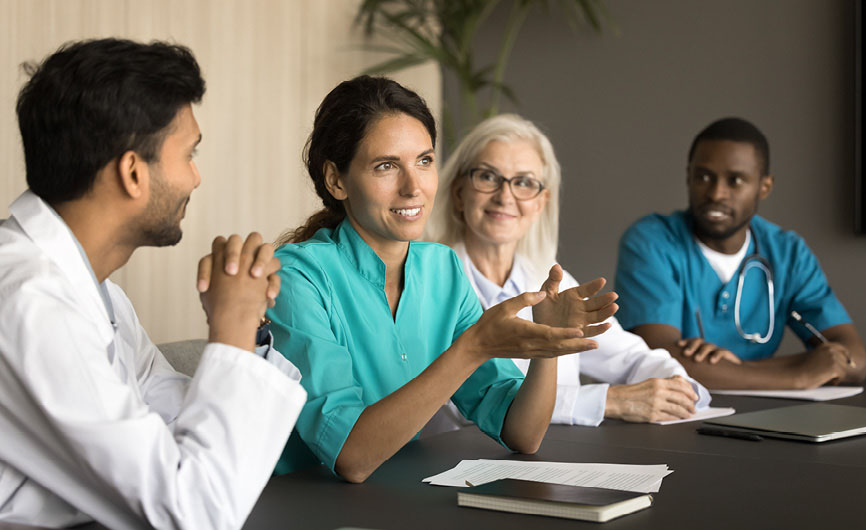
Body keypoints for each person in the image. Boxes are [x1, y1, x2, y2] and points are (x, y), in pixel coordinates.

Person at [0, 39, 307, 529]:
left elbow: (172, 420)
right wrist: (230, 326)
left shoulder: (96, 295)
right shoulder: (29, 301)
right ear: (133, 172)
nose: (196, 178)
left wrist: (243, 333)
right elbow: (192, 513)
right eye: (189, 154)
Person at [267, 76, 618, 483]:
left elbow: (522, 433)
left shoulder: (442, 269)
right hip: (302, 502)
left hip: (398, 497)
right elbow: (351, 456)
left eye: (424, 161)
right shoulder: (295, 277)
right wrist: (473, 348)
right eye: (386, 166)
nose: (413, 187)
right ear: (336, 180)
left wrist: (549, 343)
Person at [423, 113, 708, 431]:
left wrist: (678, 387)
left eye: (523, 182)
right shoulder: (426, 283)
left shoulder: (548, 281)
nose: (505, 196)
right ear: (460, 192)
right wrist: (609, 400)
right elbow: (461, 404)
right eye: (488, 177)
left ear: (541, 203)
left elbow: (630, 356)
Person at [615, 117, 866, 390]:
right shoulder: (652, 241)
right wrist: (799, 375)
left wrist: (739, 368)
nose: (716, 193)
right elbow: (661, 362)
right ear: (688, 176)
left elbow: (856, 360)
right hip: (671, 418)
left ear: (764, 187)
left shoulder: (787, 252)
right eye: (704, 177)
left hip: (765, 417)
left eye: (735, 181)